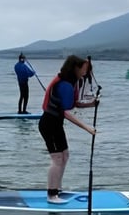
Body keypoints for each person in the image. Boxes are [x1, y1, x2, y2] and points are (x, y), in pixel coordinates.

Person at [38, 55, 98, 204]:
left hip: (56, 124)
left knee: (65, 155)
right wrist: (86, 128)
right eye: (84, 69)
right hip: (48, 124)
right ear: (75, 67)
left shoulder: (71, 83)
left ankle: (57, 188)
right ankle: (51, 195)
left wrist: (92, 104)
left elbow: (75, 104)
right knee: (57, 158)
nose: (85, 72)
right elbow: (65, 112)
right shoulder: (63, 84)